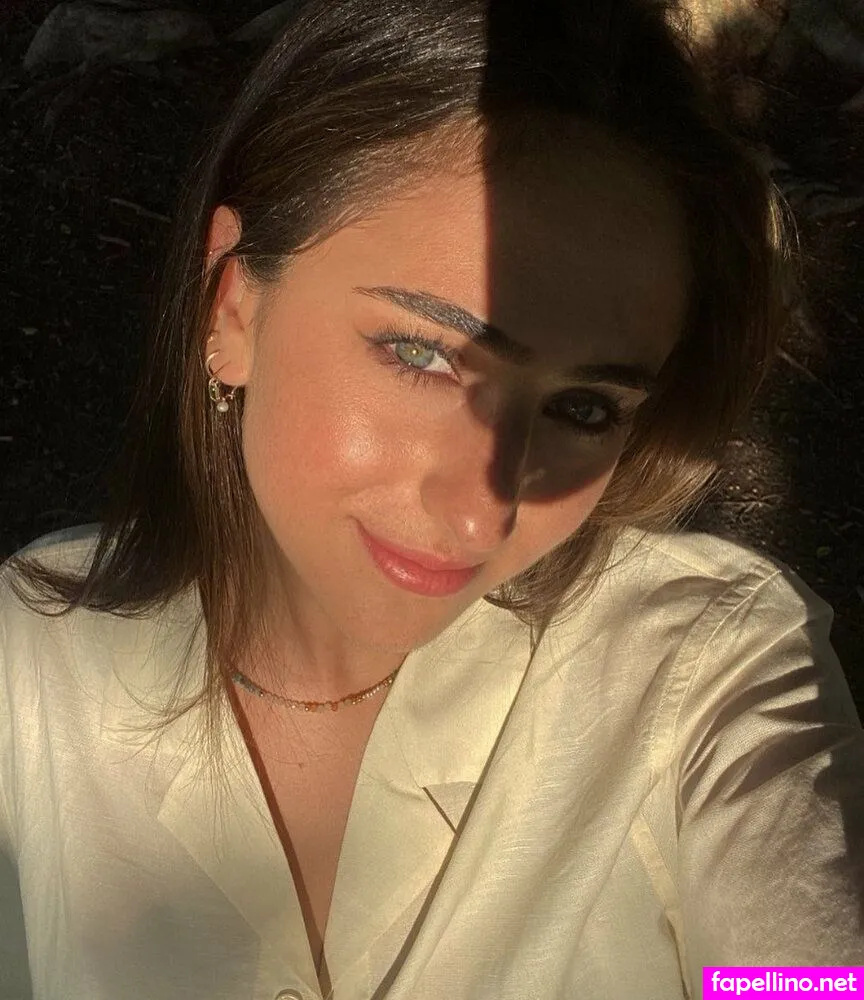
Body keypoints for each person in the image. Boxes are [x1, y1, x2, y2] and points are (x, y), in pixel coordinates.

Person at [1, 0, 862, 997]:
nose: (481, 513)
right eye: (422, 354)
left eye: (583, 407)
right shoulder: (32, 669)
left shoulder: (701, 671)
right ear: (231, 308)